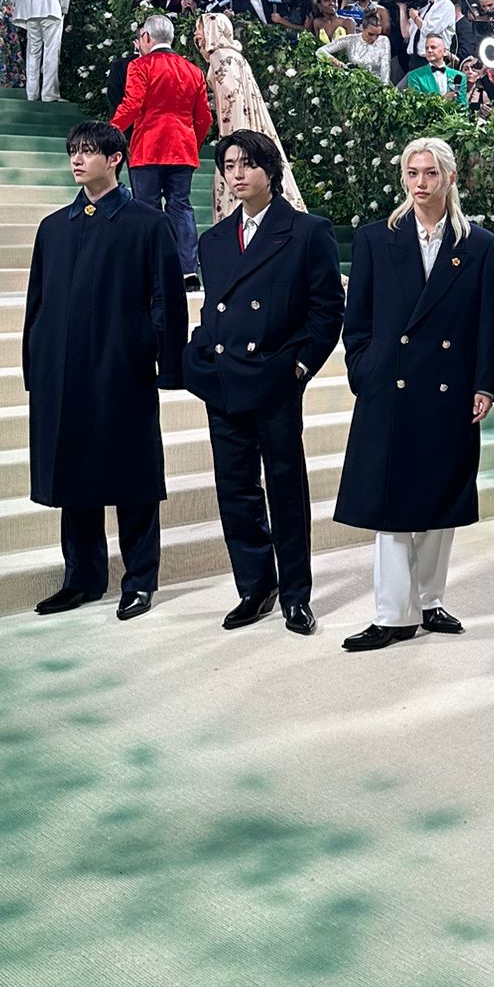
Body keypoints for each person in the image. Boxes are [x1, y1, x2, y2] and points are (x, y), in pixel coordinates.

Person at [334, 137, 494, 651]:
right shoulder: (375, 239)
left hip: (448, 390)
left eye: (430, 173)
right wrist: (366, 370)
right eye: (412, 172)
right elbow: (356, 321)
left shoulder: (478, 245)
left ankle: (429, 602)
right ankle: (392, 614)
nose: (420, 183)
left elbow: (484, 324)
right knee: (390, 507)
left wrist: (484, 384)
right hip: (390, 388)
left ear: (449, 178)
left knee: (438, 502)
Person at [23, 122, 188, 618]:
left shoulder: (146, 223)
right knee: (72, 470)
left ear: (115, 159)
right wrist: (36, 365)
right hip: (63, 370)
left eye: (89, 152)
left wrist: (166, 362)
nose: (77, 160)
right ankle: (83, 577)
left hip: (122, 365)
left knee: (132, 472)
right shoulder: (54, 227)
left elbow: (167, 300)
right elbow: (37, 303)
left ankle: (140, 579)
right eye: (73, 150)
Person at [184, 129, 345, 637]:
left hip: (274, 381)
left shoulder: (306, 232)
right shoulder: (212, 242)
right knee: (235, 492)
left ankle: (295, 593)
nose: (236, 174)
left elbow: (326, 313)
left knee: (285, 489)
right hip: (224, 383)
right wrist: (199, 357)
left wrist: (298, 369)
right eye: (228, 165)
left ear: (270, 169)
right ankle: (255, 587)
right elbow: (213, 312)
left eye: (247, 164)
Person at [111, 12, 212, 287]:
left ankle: (150, 270)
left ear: (145, 37)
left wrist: (111, 131)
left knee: (146, 208)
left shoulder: (140, 66)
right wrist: (194, 142)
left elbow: (132, 105)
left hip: (148, 146)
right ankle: (187, 271)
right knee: (181, 206)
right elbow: (204, 117)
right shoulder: (193, 70)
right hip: (182, 147)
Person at [196, 11, 306, 222]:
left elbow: (232, 96)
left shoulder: (220, 56)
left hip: (236, 127)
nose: (197, 35)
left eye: (199, 29)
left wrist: (231, 138)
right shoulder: (235, 55)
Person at [317, 8, 392, 86]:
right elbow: (320, 51)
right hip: (354, 85)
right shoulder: (350, 40)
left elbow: (385, 68)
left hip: (377, 85)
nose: (374, 38)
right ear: (362, 28)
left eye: (377, 35)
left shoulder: (384, 40)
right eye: (370, 34)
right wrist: (333, 60)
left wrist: (384, 88)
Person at [405, 0, 458, 64]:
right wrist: (402, 7)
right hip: (415, 58)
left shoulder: (446, 5)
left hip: (431, 59)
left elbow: (430, 31)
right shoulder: (426, 7)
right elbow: (407, 32)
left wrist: (415, 17)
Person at [400, 33, 467, 105]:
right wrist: (443, 100)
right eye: (426, 48)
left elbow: (463, 105)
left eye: (433, 47)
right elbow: (417, 106)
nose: (429, 50)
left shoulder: (459, 76)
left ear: (444, 52)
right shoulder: (415, 76)